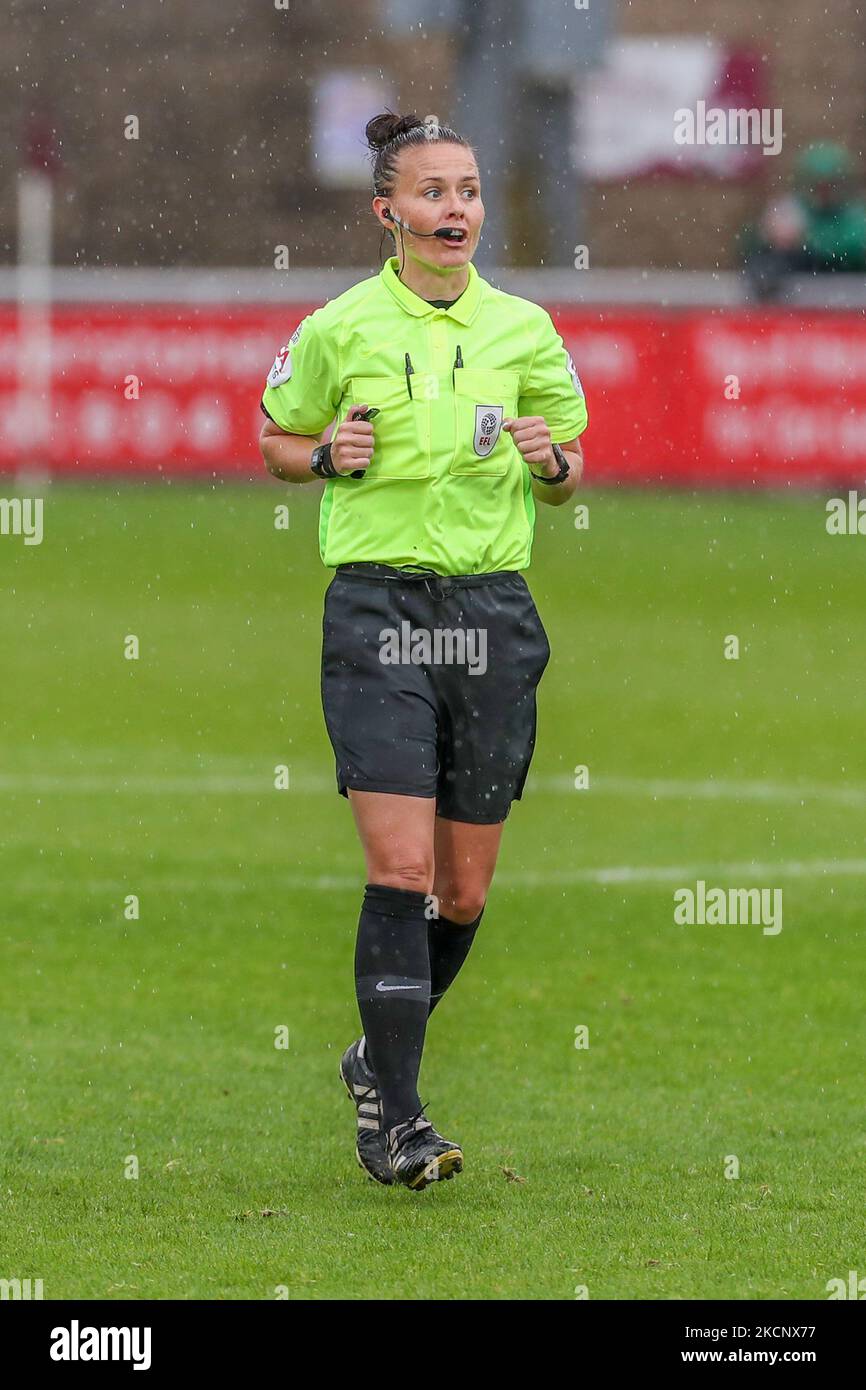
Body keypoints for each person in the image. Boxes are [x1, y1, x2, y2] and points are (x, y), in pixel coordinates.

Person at [259, 110, 588, 1191]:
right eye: (434, 192)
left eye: (469, 190)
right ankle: (396, 1118)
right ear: (387, 211)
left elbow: (569, 461)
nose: (457, 209)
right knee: (397, 870)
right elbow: (275, 439)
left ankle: (370, 1056)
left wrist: (551, 463)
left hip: (492, 617)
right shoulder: (338, 326)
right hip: (379, 612)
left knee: (461, 893)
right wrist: (321, 454)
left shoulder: (524, 330)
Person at [739, 143, 866, 300]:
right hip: (796, 296)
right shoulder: (791, 209)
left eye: (830, 185)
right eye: (818, 186)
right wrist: (768, 236)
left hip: (850, 294)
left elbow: (853, 248)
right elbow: (749, 244)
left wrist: (805, 240)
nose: (824, 192)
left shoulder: (855, 214)